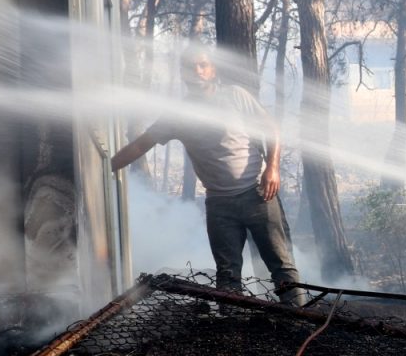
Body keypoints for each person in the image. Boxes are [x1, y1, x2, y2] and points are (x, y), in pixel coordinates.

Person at [111, 44, 306, 306]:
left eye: (203, 65)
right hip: (219, 205)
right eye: (191, 67)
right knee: (227, 275)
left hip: (258, 195)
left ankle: (299, 319)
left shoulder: (236, 96)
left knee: (281, 265)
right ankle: (231, 333)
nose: (197, 71)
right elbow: (138, 145)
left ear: (212, 70)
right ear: (182, 73)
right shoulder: (177, 115)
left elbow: (271, 129)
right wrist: (105, 167)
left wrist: (272, 168)